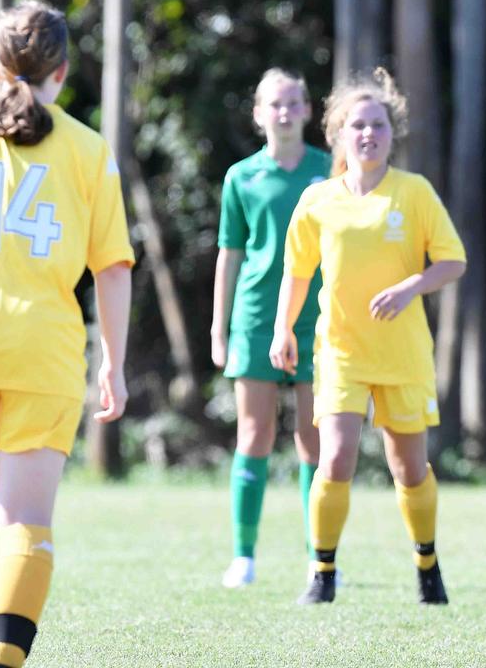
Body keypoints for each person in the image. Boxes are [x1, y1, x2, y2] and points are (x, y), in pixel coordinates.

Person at [0, 0, 134, 668]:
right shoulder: (87, 149)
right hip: (44, 354)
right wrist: (114, 364)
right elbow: (111, 268)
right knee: (23, 521)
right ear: (64, 70)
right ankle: (3, 660)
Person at [270, 68, 466, 606]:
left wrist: (412, 286)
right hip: (340, 351)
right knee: (335, 460)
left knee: (410, 468)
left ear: (391, 132)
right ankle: (322, 573)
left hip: (402, 354)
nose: (368, 134)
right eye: (357, 125)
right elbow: (297, 271)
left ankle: (427, 563)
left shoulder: (414, 192)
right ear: (336, 133)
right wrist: (282, 328)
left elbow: (453, 261)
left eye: (377, 124)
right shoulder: (318, 200)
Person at [212, 68, 330, 589]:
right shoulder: (241, 176)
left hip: (317, 318)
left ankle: (319, 559)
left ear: (308, 110)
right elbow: (229, 254)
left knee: (313, 439)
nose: (284, 112)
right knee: (254, 434)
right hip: (256, 318)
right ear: (259, 114)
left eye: (293, 103)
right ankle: (244, 556)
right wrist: (219, 329)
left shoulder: (331, 171)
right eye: (274, 104)